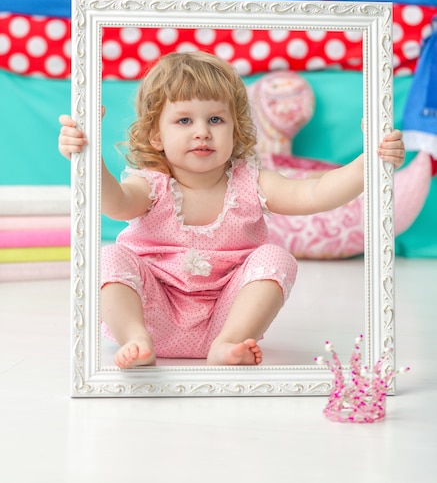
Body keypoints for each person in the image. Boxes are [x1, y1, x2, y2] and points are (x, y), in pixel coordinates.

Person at [58, 51, 405, 369]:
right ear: (155, 136)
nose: (202, 133)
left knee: (276, 257)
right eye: (183, 121)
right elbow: (115, 204)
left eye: (215, 119)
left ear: (235, 129)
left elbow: (312, 193)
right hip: (154, 317)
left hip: (224, 321)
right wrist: (88, 157)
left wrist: (368, 164)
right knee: (110, 257)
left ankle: (227, 345)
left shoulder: (250, 182)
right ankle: (134, 339)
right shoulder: (151, 184)